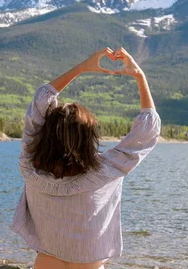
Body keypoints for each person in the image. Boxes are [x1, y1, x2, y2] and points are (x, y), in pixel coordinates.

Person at [11, 47, 161, 269]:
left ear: (47, 134)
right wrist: (140, 76)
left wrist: (81, 68)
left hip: (47, 260)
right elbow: (147, 129)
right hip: (89, 263)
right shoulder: (107, 170)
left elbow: (42, 98)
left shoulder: (31, 166)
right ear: (88, 138)